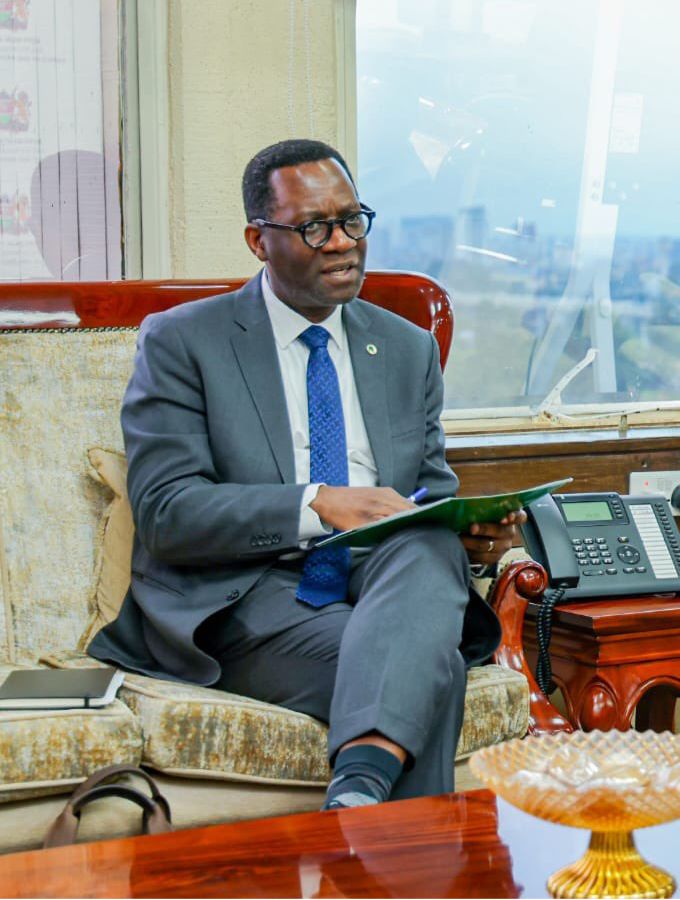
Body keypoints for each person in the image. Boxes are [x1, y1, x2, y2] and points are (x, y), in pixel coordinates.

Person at [89, 139, 523, 810]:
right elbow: (168, 513)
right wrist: (317, 504)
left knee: (429, 545)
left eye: (352, 220)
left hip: (387, 583)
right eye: (315, 227)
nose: (342, 243)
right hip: (247, 597)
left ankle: (355, 801)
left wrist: (473, 537)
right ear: (258, 241)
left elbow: (429, 498)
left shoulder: (406, 349)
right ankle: (373, 807)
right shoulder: (184, 341)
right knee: (428, 666)